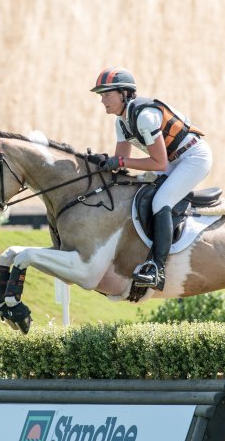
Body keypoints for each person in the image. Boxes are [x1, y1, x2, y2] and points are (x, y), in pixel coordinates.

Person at [90, 67, 213, 290]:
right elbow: (121, 161)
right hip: (173, 160)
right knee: (137, 193)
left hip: (193, 157)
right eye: (101, 95)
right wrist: (101, 162)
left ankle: (157, 268)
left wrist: (119, 162)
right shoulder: (121, 122)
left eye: (106, 94)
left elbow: (158, 164)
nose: (102, 100)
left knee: (160, 201)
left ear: (124, 94)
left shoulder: (145, 117)